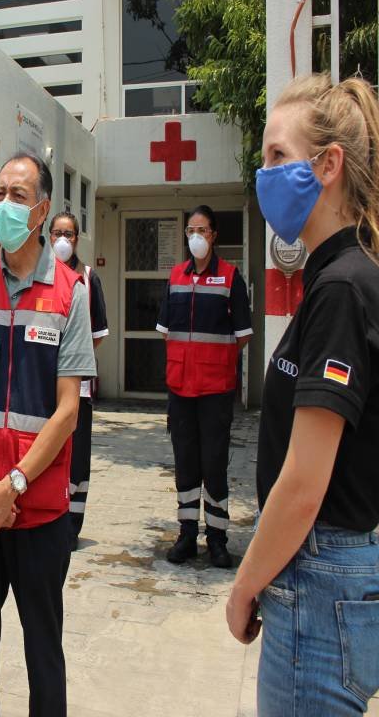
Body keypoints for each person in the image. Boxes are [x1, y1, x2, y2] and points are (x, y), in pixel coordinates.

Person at [227, 74, 379, 715]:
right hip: (328, 576)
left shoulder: (342, 288)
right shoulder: (339, 279)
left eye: (276, 157)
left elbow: (305, 483)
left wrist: (244, 586)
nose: (264, 174)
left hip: (317, 579)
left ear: (329, 166)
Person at [0, 153, 96, 716]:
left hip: (39, 514)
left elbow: (66, 413)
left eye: (18, 194)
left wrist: (13, 483)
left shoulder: (69, 294)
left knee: (43, 655)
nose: (4, 204)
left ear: (42, 210)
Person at [156, 205, 252, 568]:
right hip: (180, 388)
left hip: (215, 389)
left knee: (214, 464)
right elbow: (166, 331)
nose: (195, 236)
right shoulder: (176, 277)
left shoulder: (230, 277)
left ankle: (217, 538)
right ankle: (186, 534)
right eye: (190, 230)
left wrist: (214, 360)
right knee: (185, 464)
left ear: (214, 235)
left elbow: (242, 336)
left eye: (202, 230)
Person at [49, 211, 109, 550]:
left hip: (79, 387)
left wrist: (75, 358)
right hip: (45, 386)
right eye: (56, 232)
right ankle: (51, 518)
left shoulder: (89, 278)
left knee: (78, 458)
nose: (62, 240)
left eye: (68, 234)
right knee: (50, 452)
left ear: (77, 238)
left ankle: (72, 525)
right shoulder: (41, 274)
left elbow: (98, 333)